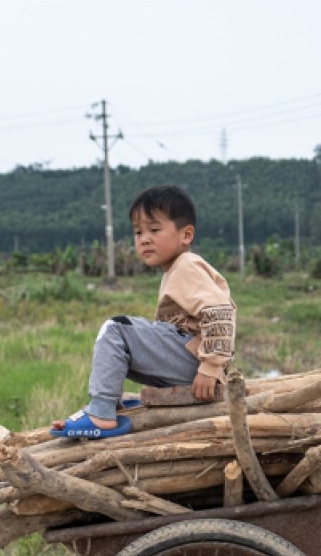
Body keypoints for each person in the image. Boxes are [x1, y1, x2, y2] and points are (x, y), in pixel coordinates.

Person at [51, 185, 236, 439]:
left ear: (186, 235)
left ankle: (102, 412)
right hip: (190, 359)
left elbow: (220, 312)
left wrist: (210, 368)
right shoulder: (174, 269)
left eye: (154, 230)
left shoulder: (186, 265)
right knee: (123, 343)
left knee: (115, 329)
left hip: (196, 361)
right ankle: (107, 405)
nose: (144, 238)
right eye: (138, 232)